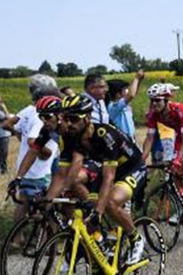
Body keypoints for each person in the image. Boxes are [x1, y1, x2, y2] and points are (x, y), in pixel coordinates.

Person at [55, 94, 147, 265]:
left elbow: (109, 178)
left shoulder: (104, 135)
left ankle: (136, 238)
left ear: (87, 118)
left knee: (110, 203)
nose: (68, 124)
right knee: (88, 218)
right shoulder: (69, 136)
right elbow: (63, 174)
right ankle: (99, 262)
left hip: (131, 168)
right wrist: (50, 199)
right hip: (105, 167)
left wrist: (99, 211)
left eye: (73, 119)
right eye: (65, 118)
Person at [1, 74, 60, 223]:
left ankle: (19, 238)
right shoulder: (43, 116)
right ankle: (48, 239)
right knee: (44, 207)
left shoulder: (28, 110)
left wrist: (20, 137)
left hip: (26, 164)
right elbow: (33, 141)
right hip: (39, 169)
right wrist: (46, 152)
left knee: (25, 202)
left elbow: (7, 124)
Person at [106, 70, 144, 141]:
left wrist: (139, 81)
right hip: (122, 142)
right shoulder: (113, 106)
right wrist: (136, 78)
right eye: (125, 90)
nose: (127, 91)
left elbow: (133, 94)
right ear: (117, 93)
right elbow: (131, 95)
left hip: (131, 139)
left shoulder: (124, 105)